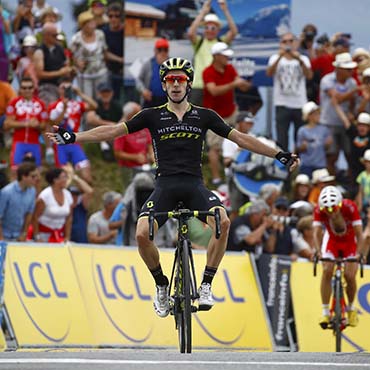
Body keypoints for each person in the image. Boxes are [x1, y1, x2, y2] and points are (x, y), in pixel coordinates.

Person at [47, 57, 299, 318]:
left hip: (194, 185)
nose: (175, 84)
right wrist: (75, 137)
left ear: (188, 84)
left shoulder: (205, 116)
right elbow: (112, 132)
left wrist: (278, 154)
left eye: (180, 79)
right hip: (165, 186)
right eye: (170, 80)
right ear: (165, 86)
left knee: (223, 222)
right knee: (142, 233)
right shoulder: (152, 115)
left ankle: (205, 285)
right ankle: (161, 285)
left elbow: (242, 139)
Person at [313, 185, 365, 328]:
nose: (331, 213)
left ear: (340, 204)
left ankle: (350, 308)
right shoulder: (319, 210)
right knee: (327, 270)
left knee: (349, 275)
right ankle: (325, 311)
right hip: (332, 241)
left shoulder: (350, 207)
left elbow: (360, 235)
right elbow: (316, 233)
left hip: (350, 242)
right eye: (327, 210)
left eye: (334, 209)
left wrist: (359, 254)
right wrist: (317, 251)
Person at [203, 42, 250, 186]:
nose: (227, 59)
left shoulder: (230, 68)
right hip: (214, 115)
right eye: (224, 56)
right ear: (216, 56)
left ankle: (236, 173)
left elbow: (241, 85)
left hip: (231, 111)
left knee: (239, 140)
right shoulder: (208, 72)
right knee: (214, 147)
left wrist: (244, 84)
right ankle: (217, 179)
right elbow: (214, 91)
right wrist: (234, 84)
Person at [266, 32, 313, 151]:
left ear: (296, 43)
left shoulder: (303, 59)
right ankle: (283, 167)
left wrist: (298, 58)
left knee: (300, 138)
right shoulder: (275, 58)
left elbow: (309, 76)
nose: (288, 44)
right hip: (282, 104)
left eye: (291, 41)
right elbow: (269, 73)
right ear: (280, 44)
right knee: (282, 139)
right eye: (285, 42)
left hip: (299, 104)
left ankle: (298, 165)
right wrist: (280, 57)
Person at [187, 0, 238, 105]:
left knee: (212, 119)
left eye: (213, 27)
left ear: (218, 30)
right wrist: (203, 12)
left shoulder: (221, 42)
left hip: (215, 87)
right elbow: (191, 33)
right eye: (206, 27)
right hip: (198, 87)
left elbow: (233, 32)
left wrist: (225, 10)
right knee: (194, 119)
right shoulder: (199, 42)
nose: (209, 30)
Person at [48, 77, 97, 183]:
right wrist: (64, 109)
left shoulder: (77, 104)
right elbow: (53, 124)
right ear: (59, 89)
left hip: (74, 142)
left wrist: (80, 93)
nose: (65, 90)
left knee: (87, 177)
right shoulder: (54, 106)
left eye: (68, 87)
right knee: (62, 178)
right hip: (60, 144)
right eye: (63, 87)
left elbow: (94, 106)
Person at [319, 52, 358, 175]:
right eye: (348, 69)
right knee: (332, 155)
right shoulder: (327, 80)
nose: (351, 72)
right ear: (339, 69)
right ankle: (331, 183)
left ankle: (350, 185)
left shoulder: (352, 83)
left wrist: (351, 113)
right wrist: (356, 91)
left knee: (350, 155)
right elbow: (337, 98)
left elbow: (352, 102)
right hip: (328, 123)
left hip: (345, 124)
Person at [4, 77, 48, 174]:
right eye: (24, 88)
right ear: (20, 89)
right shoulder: (14, 103)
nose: (27, 90)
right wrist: (26, 123)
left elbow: (44, 126)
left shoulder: (40, 104)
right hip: (19, 142)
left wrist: (37, 125)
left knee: (36, 175)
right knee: (15, 173)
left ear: (33, 89)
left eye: (29, 87)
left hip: (34, 143)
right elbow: (7, 124)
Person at [113, 101, 154, 183]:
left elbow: (149, 144)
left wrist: (151, 154)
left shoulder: (143, 125)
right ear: (129, 116)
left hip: (145, 166)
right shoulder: (121, 129)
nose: (140, 115)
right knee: (131, 190)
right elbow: (117, 153)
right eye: (137, 113)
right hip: (129, 168)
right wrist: (135, 157)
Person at [32, 168, 73, 243]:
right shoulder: (45, 196)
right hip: (43, 234)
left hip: (59, 234)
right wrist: (37, 237)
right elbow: (35, 217)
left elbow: (69, 218)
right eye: (63, 177)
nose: (66, 180)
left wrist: (67, 236)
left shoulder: (68, 195)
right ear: (55, 180)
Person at [0, 162, 38, 241]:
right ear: (24, 176)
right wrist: (1, 238)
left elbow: (29, 214)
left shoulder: (32, 191)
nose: (36, 179)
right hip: (4, 235)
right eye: (33, 176)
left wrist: (24, 233)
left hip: (19, 236)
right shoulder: (6, 192)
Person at [296, 101, 332, 177]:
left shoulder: (324, 129)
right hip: (306, 165)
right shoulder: (302, 130)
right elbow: (298, 149)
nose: (319, 115)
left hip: (320, 165)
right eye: (316, 114)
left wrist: (328, 144)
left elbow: (326, 148)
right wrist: (303, 147)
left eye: (318, 113)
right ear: (309, 116)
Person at [135, 38, 170, 108]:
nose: (162, 52)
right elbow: (138, 80)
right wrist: (143, 90)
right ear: (155, 50)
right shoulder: (148, 64)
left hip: (167, 100)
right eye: (160, 50)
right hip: (150, 99)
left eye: (165, 50)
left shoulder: (172, 65)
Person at [102, 2, 124, 101]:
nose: (113, 19)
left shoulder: (126, 31)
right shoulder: (104, 32)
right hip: (111, 72)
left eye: (117, 16)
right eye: (110, 16)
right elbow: (105, 53)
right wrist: (120, 59)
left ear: (121, 17)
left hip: (127, 73)